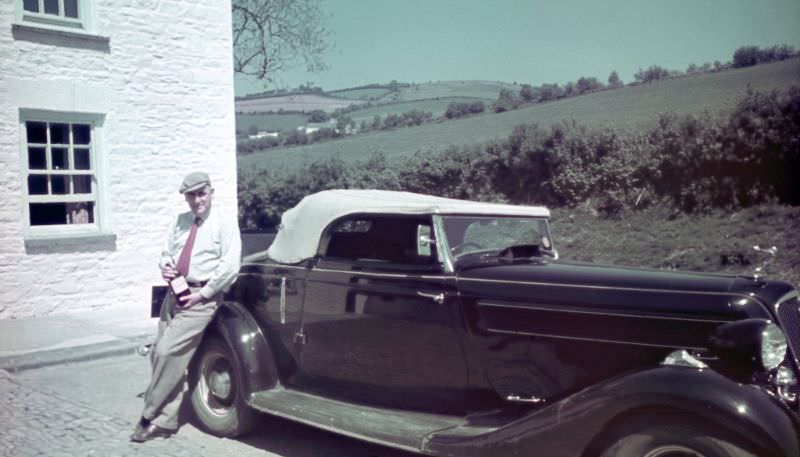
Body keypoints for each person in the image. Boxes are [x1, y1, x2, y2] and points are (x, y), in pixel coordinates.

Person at [130, 171, 241, 442]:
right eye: (191, 195)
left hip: (201, 299)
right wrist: (165, 267)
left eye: (201, 193)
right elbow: (166, 252)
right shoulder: (180, 222)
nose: (196, 200)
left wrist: (203, 294)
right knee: (159, 352)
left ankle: (149, 415)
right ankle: (167, 420)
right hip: (175, 293)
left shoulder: (224, 224)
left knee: (168, 352)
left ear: (211, 192)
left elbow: (229, 267)